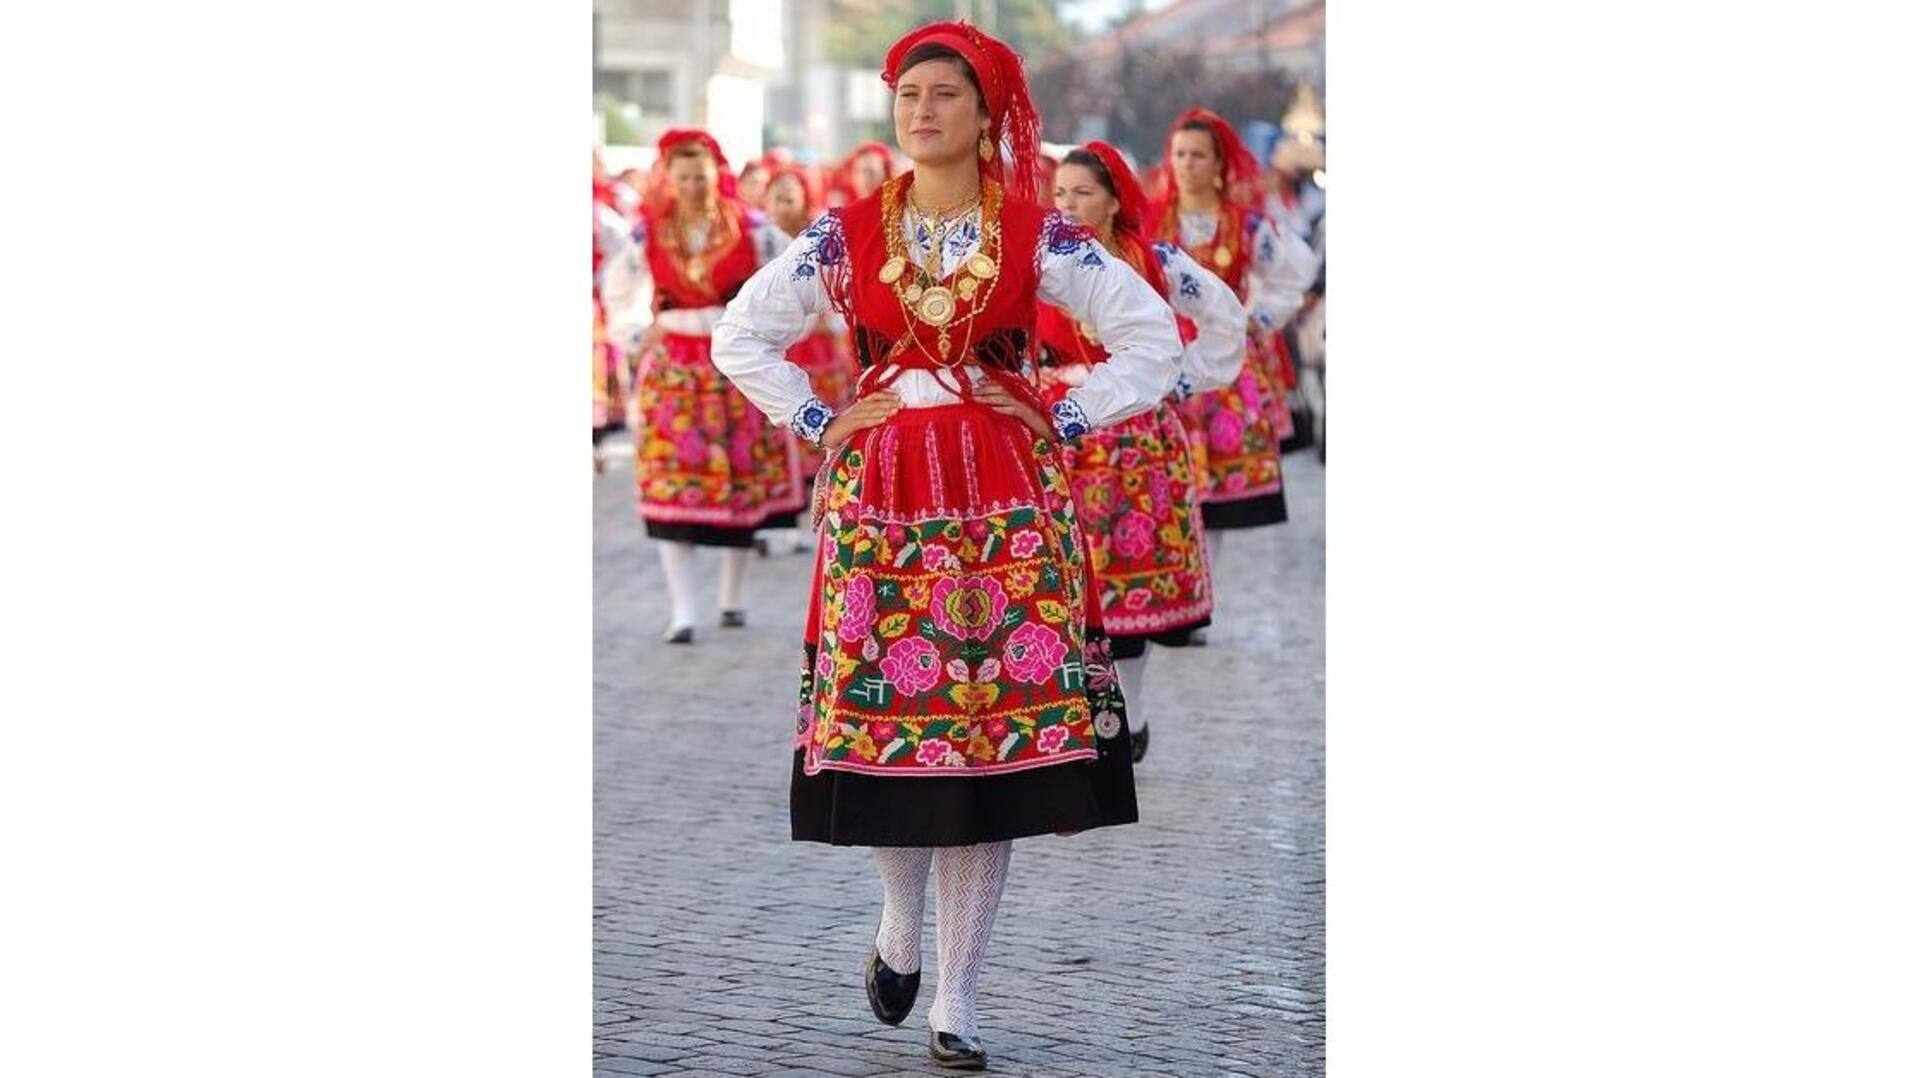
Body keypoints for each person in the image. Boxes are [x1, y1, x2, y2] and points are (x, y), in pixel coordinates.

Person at [710, 21, 1182, 1070]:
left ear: (984, 114)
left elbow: (1151, 335)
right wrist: (821, 419)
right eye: (908, 93)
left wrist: (1063, 411)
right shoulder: (844, 236)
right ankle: (895, 922)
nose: (921, 111)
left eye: (944, 95)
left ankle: (959, 994)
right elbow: (740, 331)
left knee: (991, 741)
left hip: (1007, 507)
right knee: (898, 723)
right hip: (884, 503)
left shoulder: (1036, 234)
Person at [1039, 141, 1247, 763]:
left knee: (1131, 581)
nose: (1069, 205)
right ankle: (1075, 714)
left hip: (1134, 439)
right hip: (1064, 434)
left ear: (1113, 201)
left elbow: (1225, 315)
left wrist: (1181, 375)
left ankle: (1131, 714)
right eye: (1060, 193)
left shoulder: (1154, 262)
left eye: (1083, 193)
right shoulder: (1038, 265)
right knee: (1065, 578)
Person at [601, 129, 805, 642]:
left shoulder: (753, 229)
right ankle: (684, 610)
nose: (692, 186)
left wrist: (770, 337)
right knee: (671, 479)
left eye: (701, 176)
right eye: (683, 177)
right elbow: (619, 289)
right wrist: (635, 336)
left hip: (732, 367)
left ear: (718, 177)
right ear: (669, 179)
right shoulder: (649, 234)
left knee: (740, 480)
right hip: (674, 366)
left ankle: (731, 598)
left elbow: (794, 281)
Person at [1150, 108, 1319, 581]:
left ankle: (1205, 581)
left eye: (1199, 155)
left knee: (1216, 490)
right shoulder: (1149, 221)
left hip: (1222, 364)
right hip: (1165, 361)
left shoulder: (1245, 225)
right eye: (1179, 154)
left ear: (1220, 164)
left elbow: (1294, 274)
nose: (1187, 164)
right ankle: (1176, 581)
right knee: (1164, 478)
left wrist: (1257, 318)